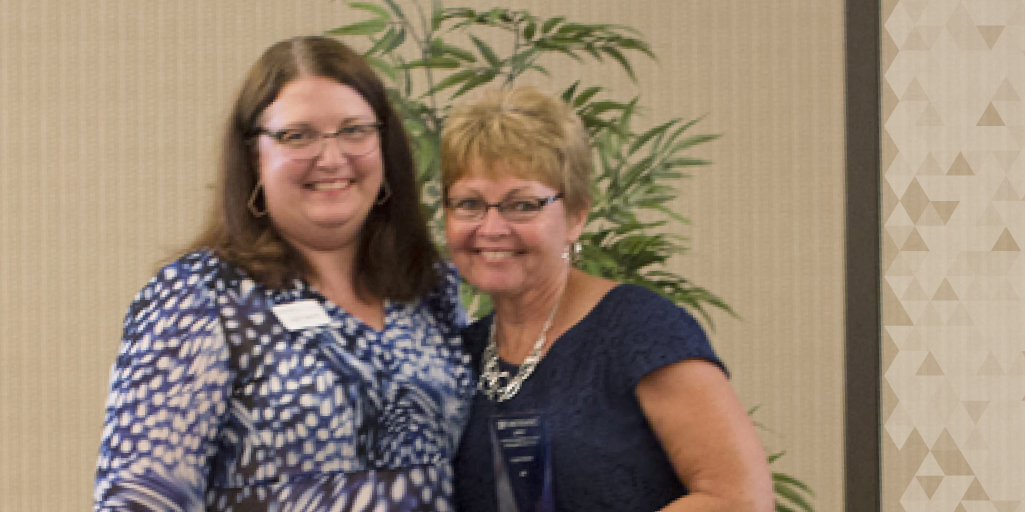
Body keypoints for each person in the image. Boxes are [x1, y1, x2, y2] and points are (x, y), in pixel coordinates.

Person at [94, 36, 473, 512]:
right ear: (254, 157)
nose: (332, 158)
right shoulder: (197, 297)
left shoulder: (430, 289)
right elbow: (141, 498)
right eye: (299, 135)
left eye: (354, 130)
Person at [443, 86, 774, 512]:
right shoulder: (462, 353)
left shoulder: (638, 330)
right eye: (468, 204)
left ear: (576, 216)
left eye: (521, 205)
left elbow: (738, 500)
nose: (490, 228)